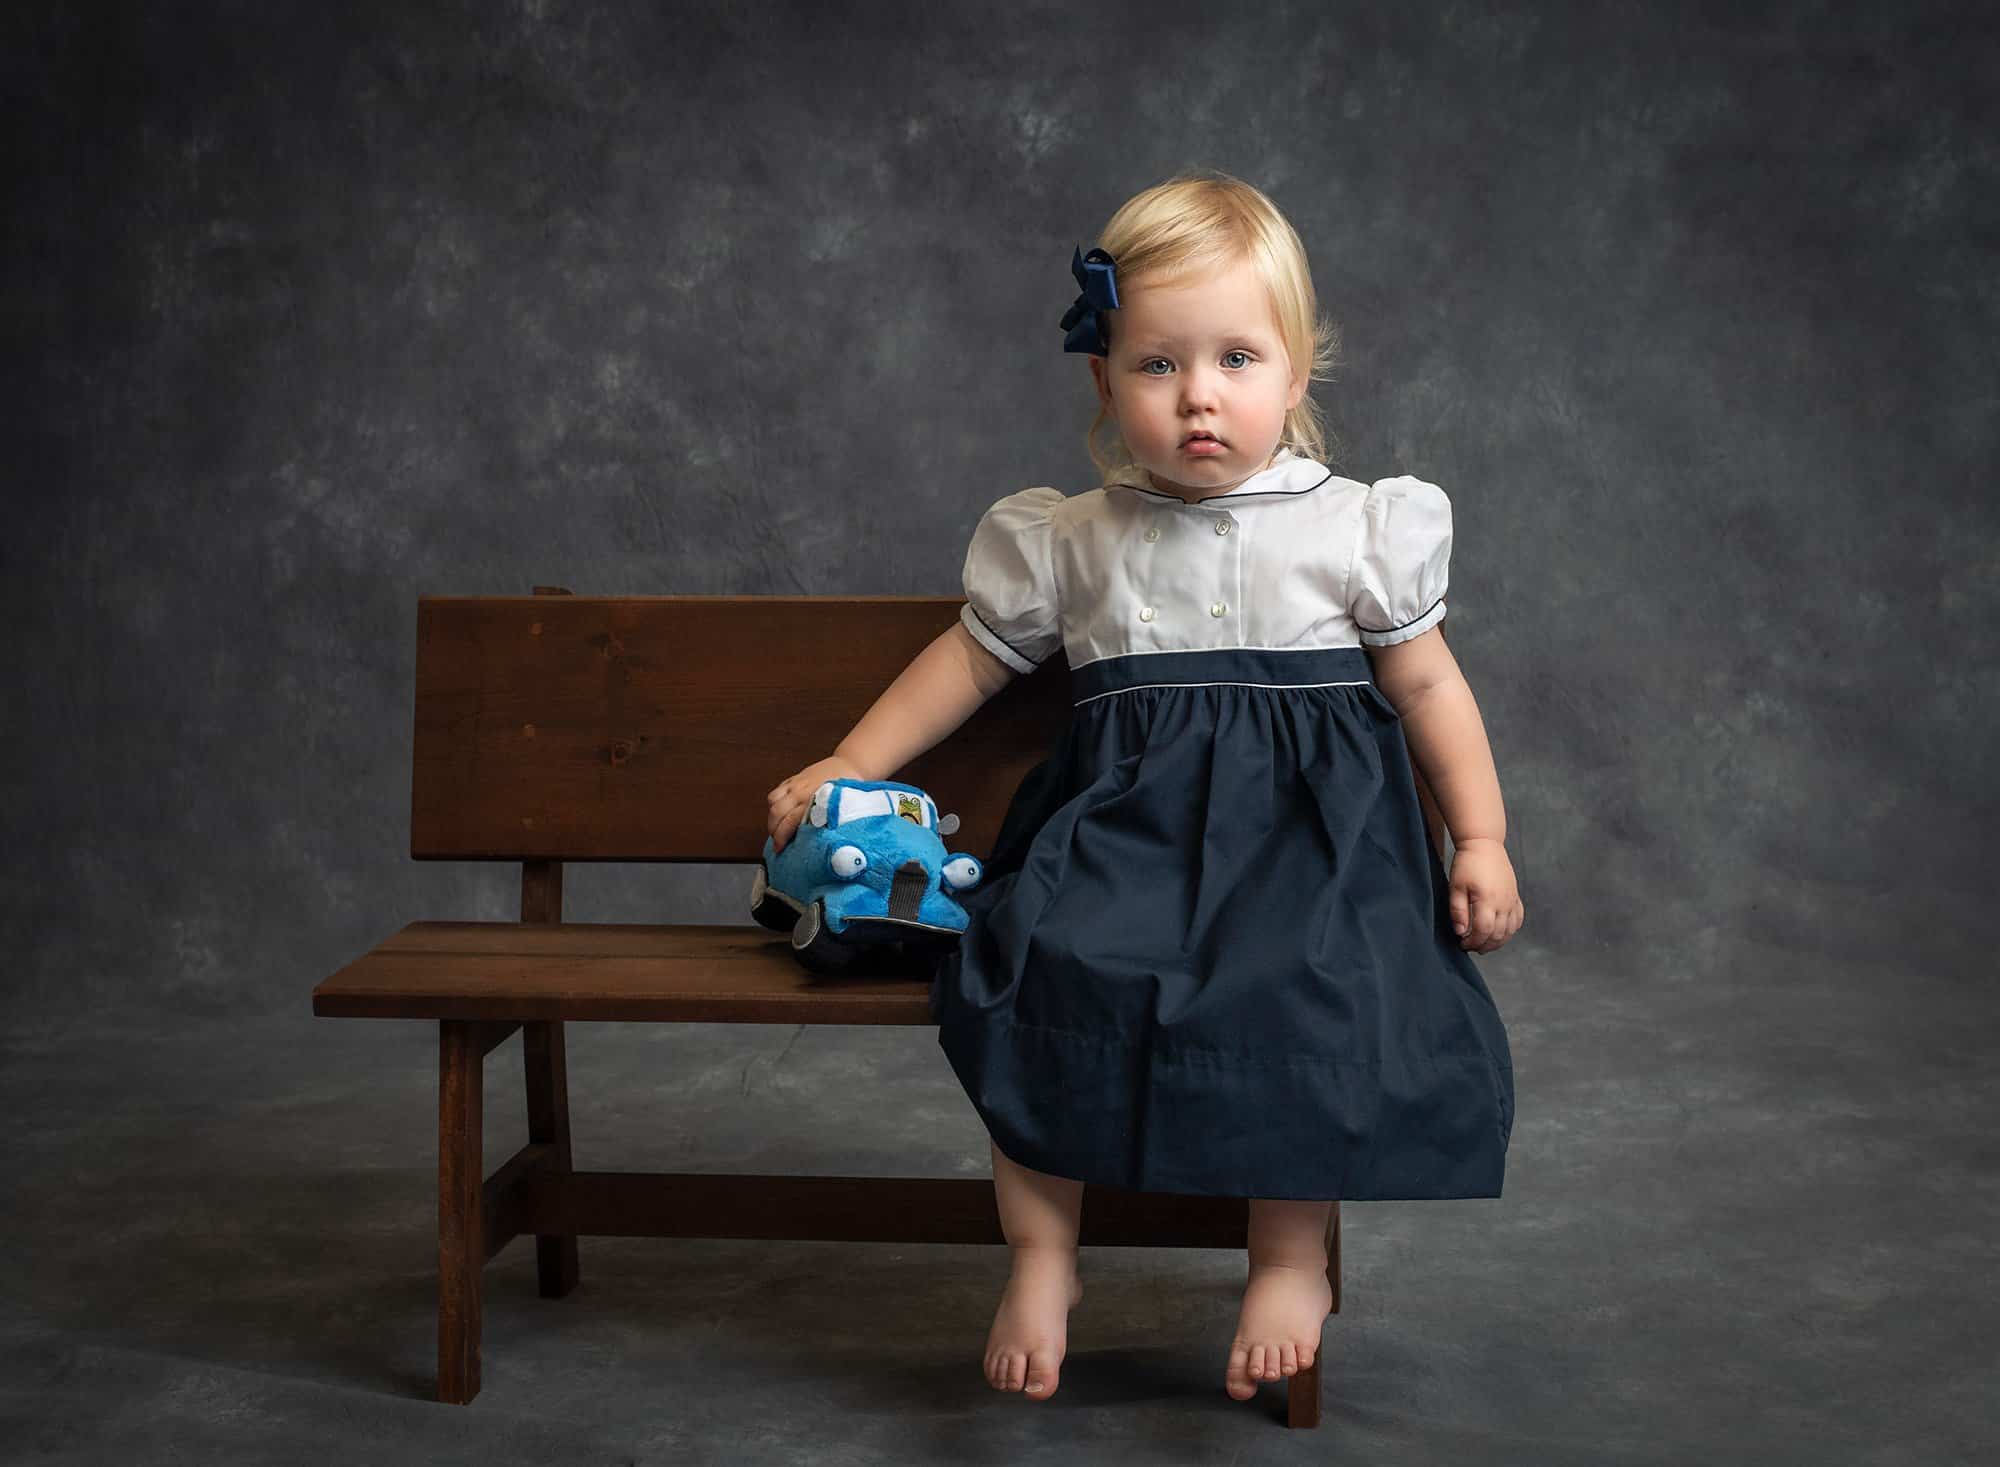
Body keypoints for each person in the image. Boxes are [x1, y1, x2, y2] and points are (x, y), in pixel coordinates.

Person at [764, 171, 1522, 1408]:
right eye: (1157, 365)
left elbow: (1431, 692)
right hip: (1124, 842)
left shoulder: (1352, 531)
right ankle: (1042, 1253)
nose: (1199, 396)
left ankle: (1285, 1261)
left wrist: (1479, 837)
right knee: (1030, 963)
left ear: (1294, 374)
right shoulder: (1074, 537)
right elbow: (965, 660)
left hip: (1306, 860)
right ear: (1105, 380)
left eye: (1235, 357)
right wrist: (855, 763)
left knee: (1305, 994)